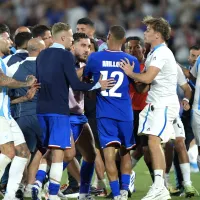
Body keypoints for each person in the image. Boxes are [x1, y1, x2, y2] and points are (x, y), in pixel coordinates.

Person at [33, 22, 114, 200]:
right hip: (63, 113)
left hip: (76, 114)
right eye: (83, 46)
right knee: (62, 153)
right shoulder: (66, 59)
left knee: (90, 154)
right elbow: (72, 82)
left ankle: (83, 193)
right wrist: (95, 83)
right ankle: (45, 187)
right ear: (71, 44)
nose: (87, 50)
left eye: (89, 47)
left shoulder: (50, 56)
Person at [119, 16, 180, 200]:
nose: (145, 32)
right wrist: (135, 79)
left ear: (158, 34)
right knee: (152, 143)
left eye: (148, 30)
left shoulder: (162, 53)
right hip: (154, 104)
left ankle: (160, 186)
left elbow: (147, 78)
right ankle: (159, 186)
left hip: (163, 103)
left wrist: (130, 72)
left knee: (154, 142)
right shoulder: (154, 52)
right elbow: (144, 86)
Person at [84, 25, 140, 200]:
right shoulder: (131, 60)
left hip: (104, 113)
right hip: (125, 113)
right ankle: (124, 191)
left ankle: (116, 194)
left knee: (108, 154)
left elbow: (86, 82)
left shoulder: (94, 58)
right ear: (124, 40)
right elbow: (139, 87)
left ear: (108, 36)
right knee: (125, 153)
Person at [0, 38, 37, 200]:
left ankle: (10, 195)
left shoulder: (2, 63)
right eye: (6, 37)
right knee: (8, 152)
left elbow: (4, 95)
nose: (10, 41)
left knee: (23, 152)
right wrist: (25, 83)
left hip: (6, 114)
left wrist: (24, 99)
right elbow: (2, 81)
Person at [10, 38, 45, 199]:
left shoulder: (13, 67)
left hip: (22, 115)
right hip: (44, 116)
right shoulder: (48, 67)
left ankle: (21, 186)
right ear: (40, 50)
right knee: (44, 152)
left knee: (24, 154)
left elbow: (6, 90)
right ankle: (31, 185)